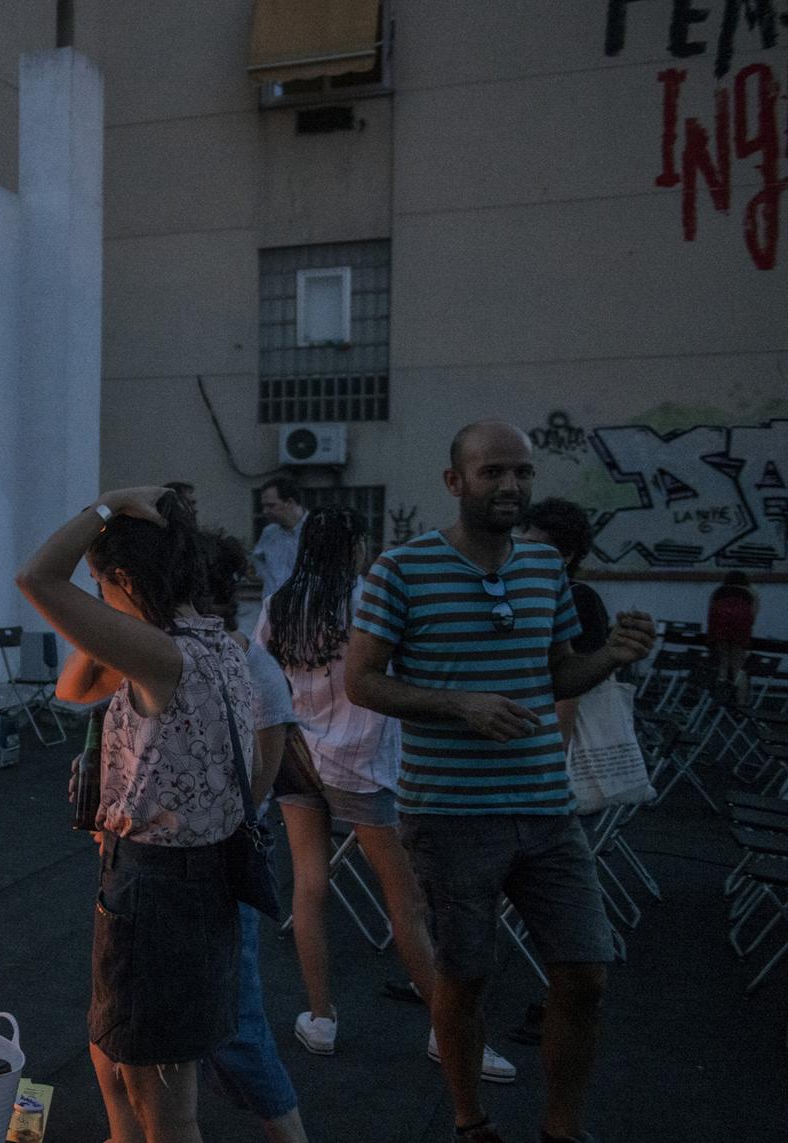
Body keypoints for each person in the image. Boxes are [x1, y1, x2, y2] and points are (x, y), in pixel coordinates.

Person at [345, 420, 655, 1143]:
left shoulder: (548, 572)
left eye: (521, 472)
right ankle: (469, 1118)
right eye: (492, 472)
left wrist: (610, 654)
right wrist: (459, 703)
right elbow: (360, 681)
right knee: (466, 976)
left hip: (547, 807)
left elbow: (556, 678)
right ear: (456, 482)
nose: (510, 485)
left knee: (586, 973)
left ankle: (561, 1128)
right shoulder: (402, 569)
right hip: (451, 813)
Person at [19, 486, 249, 1143]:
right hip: (196, 885)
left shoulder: (165, 658)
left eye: (100, 585)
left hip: (159, 891)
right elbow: (73, 688)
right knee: (131, 1069)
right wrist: (117, 610)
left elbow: (35, 576)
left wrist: (107, 503)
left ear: (122, 577)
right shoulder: (216, 644)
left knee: (165, 1107)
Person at [257, 506, 518, 1083]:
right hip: (361, 764)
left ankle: (320, 1017)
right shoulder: (367, 599)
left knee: (309, 886)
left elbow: (262, 677)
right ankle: (446, 1032)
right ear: (354, 547)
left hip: (297, 761)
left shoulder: (279, 604)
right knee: (406, 903)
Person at [197, 530, 312, 1143]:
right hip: (199, 852)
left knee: (237, 1013)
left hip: (220, 855)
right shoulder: (233, 661)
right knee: (160, 1017)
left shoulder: (249, 666)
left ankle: (289, 1133)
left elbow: (256, 795)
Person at [521, 498, 610, 747]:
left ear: (566, 556)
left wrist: (555, 756)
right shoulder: (531, 597)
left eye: (534, 547)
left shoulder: (577, 600)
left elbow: (570, 691)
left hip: (557, 743)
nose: (522, 555)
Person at [706, 571, 760, 702]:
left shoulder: (719, 591)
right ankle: (740, 703)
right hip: (740, 631)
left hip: (719, 630)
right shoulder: (751, 593)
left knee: (722, 664)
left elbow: (710, 612)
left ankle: (720, 700)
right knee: (739, 667)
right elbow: (752, 616)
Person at [252, 477, 307, 599]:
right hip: (273, 609)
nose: (265, 511)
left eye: (271, 505)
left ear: (290, 502)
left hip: (306, 608)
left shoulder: (317, 530)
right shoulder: (269, 533)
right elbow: (257, 560)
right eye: (264, 506)